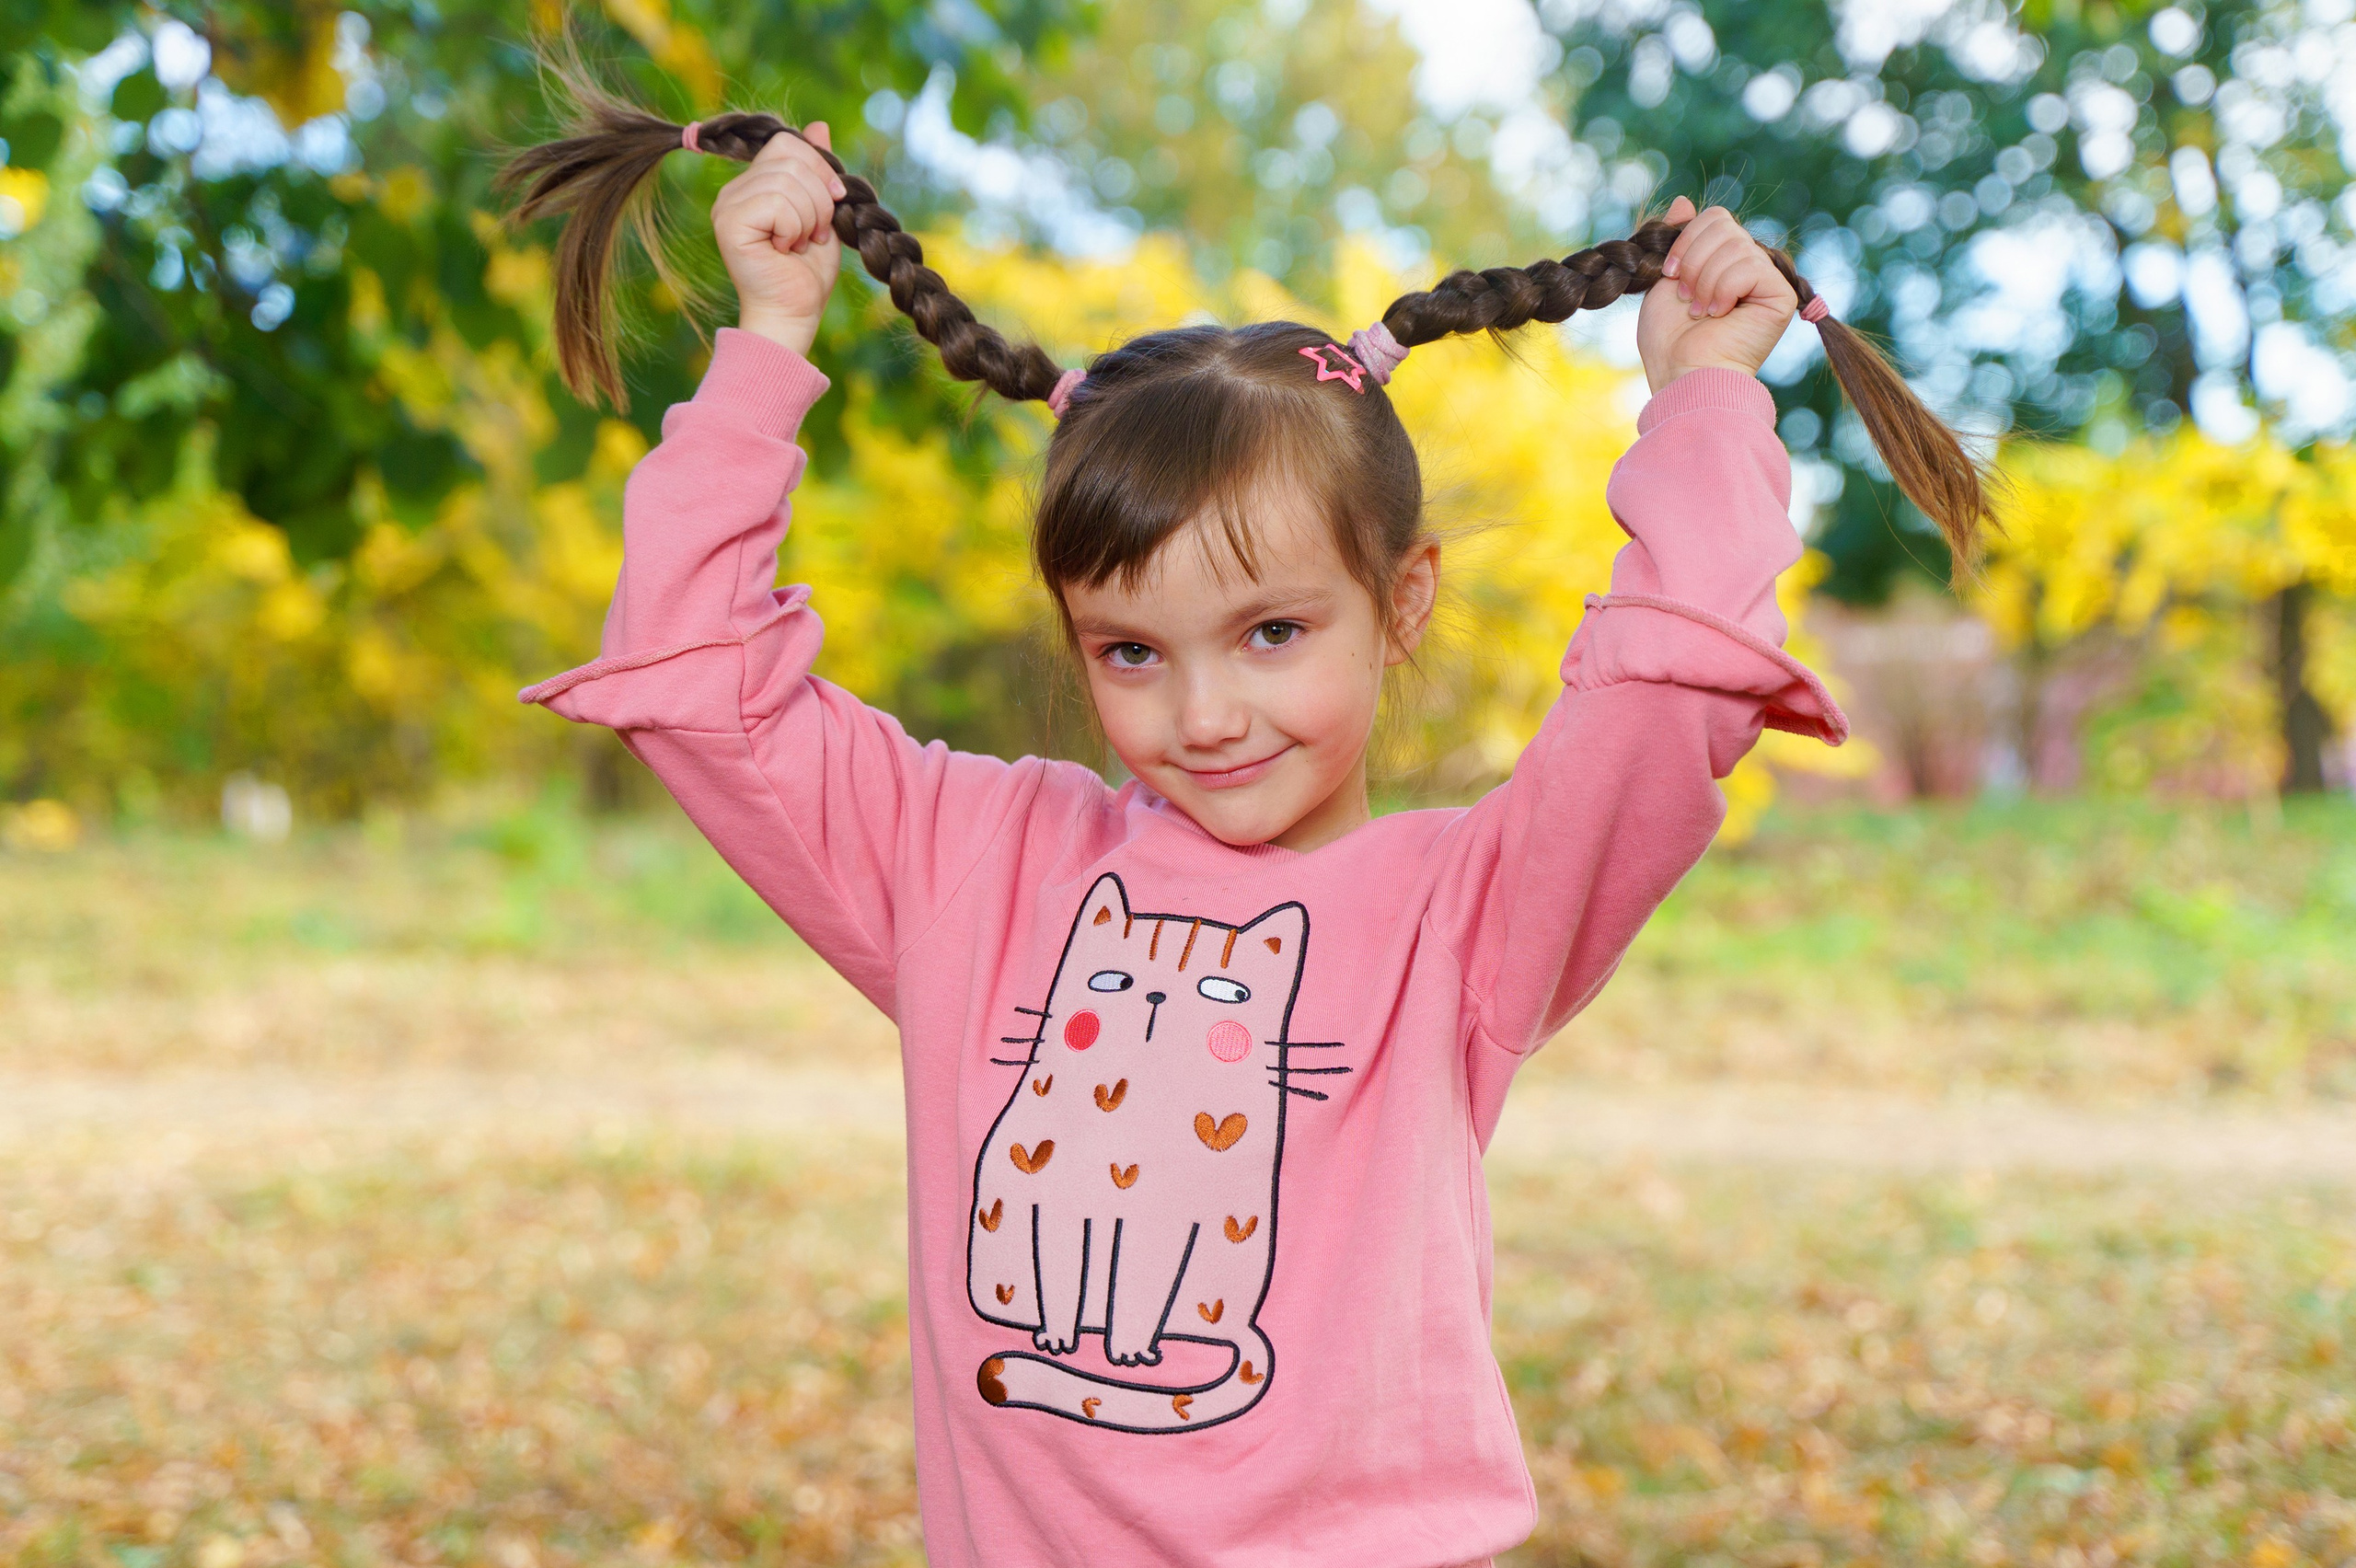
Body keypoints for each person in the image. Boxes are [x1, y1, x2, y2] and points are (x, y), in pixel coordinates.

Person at [502, 75, 1988, 1568]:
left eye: (1272, 632)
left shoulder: (1465, 914)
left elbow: (1669, 695)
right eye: (1131, 651)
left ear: (1398, 602)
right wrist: (767, 340)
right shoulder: (971, 866)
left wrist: (1705, 397)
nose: (1203, 715)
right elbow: (698, 681)